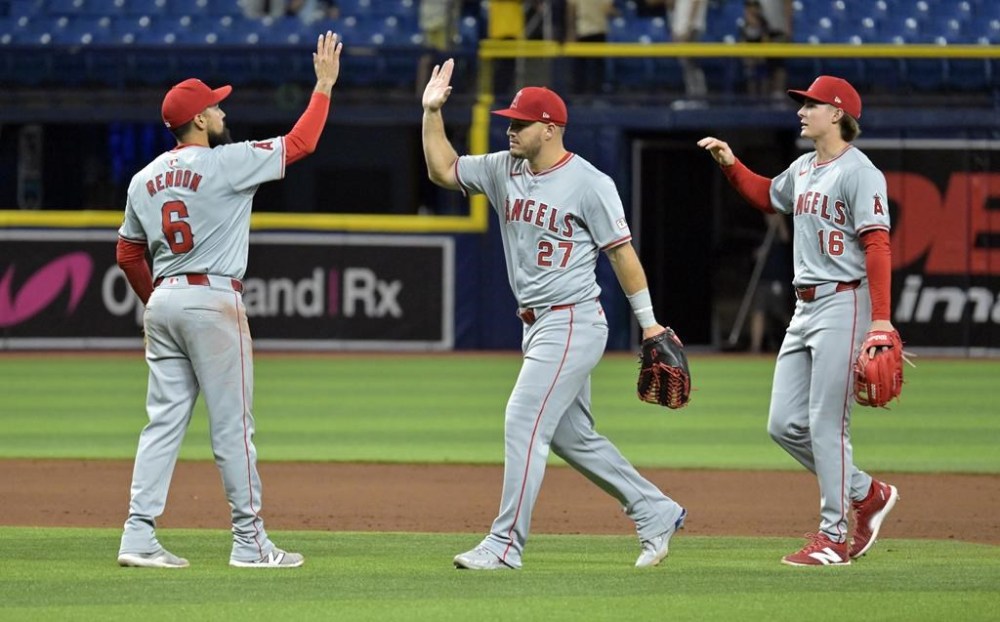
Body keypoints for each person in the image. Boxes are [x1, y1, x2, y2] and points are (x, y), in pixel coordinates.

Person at [421, 59, 688, 570]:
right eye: (510, 120)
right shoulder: (504, 168)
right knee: (572, 436)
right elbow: (443, 169)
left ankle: (504, 545)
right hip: (538, 323)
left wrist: (650, 323)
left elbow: (622, 253)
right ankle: (655, 509)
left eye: (520, 122)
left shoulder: (589, 182)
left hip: (572, 318)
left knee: (523, 419)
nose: (510, 128)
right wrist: (432, 112)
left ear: (550, 128)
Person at [114, 32, 343, 569]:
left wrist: (154, 302)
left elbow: (127, 254)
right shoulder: (227, 162)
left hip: (166, 298)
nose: (221, 110)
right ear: (199, 120)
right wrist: (325, 85)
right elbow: (302, 142)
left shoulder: (143, 178)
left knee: (162, 422)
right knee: (233, 426)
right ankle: (249, 541)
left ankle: (138, 534)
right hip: (213, 300)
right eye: (214, 105)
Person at [697, 75, 900, 566]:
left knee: (826, 425)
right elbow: (768, 195)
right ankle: (867, 493)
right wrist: (730, 164)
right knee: (784, 423)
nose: (800, 111)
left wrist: (881, 321)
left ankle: (833, 537)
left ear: (837, 113)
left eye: (809, 105)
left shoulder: (860, 172)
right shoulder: (805, 167)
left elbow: (876, 244)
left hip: (844, 301)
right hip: (805, 306)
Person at [646, 0, 707, 101]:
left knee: (691, 64)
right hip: (681, 28)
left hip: (691, 28)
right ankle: (693, 96)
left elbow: (696, 2)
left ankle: (698, 98)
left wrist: (688, 27)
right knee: (686, 64)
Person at [748, 212, 793, 353]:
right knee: (758, 311)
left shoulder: (782, 233)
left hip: (779, 280)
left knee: (781, 313)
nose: (770, 219)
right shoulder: (762, 235)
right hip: (763, 280)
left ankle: (794, 342)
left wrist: (780, 222)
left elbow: (786, 239)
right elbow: (753, 255)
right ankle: (755, 346)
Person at [566, 0, 618, 94]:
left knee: (583, 64)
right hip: (595, 31)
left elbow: (571, 11)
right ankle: (594, 91)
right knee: (596, 65)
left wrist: (570, 31)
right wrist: (619, 13)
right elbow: (607, 9)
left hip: (584, 30)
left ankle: (581, 92)